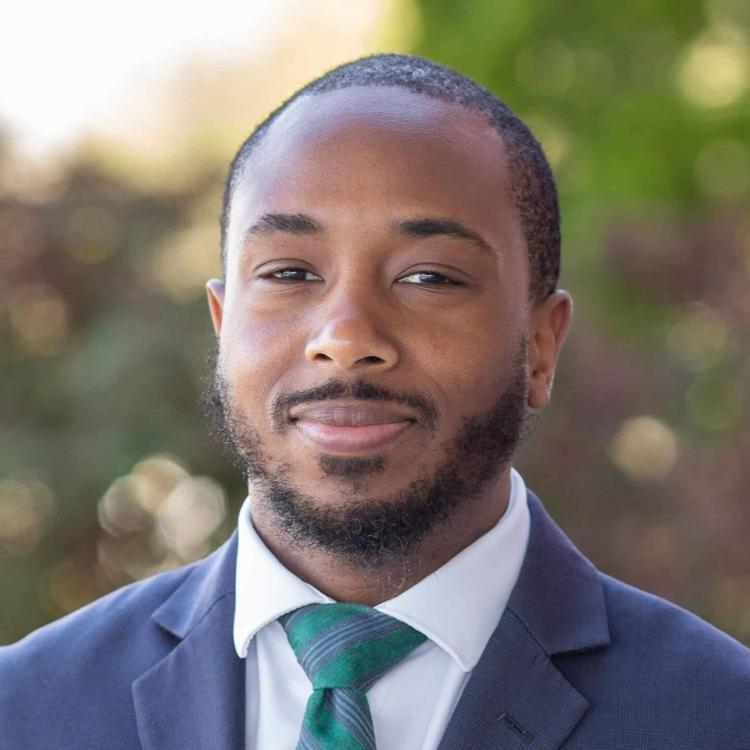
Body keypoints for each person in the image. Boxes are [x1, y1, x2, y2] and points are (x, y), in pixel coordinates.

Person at [1, 53, 748, 750]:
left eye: (429, 277)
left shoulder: (720, 715)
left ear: (541, 346)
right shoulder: (25, 709)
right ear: (224, 327)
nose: (347, 337)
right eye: (289, 272)